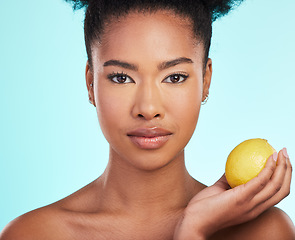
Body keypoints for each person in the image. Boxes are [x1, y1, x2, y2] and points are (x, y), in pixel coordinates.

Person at [1, 0, 294, 239]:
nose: (148, 107)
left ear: (205, 80)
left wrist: (194, 230)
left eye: (174, 77)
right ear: (91, 83)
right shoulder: (33, 234)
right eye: (121, 77)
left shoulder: (264, 232)